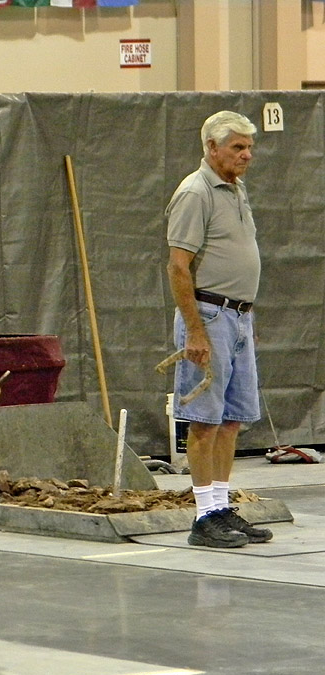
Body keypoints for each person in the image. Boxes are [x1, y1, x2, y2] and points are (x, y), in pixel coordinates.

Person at [165, 110, 273, 549]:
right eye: (237, 147)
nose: (246, 155)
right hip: (209, 317)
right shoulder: (195, 193)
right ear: (211, 147)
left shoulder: (235, 189)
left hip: (237, 318)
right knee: (205, 421)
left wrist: (246, 319)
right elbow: (178, 265)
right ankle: (203, 516)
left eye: (249, 147)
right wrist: (195, 330)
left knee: (231, 421)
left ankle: (221, 506)